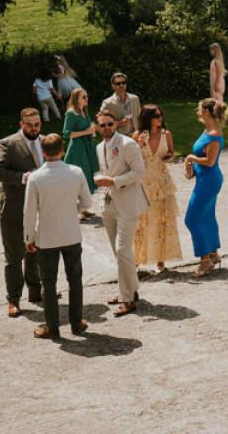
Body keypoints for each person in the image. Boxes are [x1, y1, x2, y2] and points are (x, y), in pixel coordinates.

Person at [23, 133, 92, 339]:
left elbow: (29, 211)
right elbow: (87, 202)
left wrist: (29, 237)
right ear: (62, 150)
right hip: (71, 233)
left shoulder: (35, 177)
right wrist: (74, 209)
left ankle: (52, 327)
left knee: (49, 283)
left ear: (43, 152)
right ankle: (76, 322)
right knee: (75, 279)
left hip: (47, 235)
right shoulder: (76, 172)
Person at [0, 108, 46, 318]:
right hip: (13, 206)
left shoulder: (46, 141)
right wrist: (24, 177)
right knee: (14, 255)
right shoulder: (8, 143)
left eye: (37, 125)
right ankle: (13, 299)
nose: (34, 129)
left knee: (35, 250)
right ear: (21, 124)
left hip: (39, 207)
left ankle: (35, 290)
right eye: (29, 125)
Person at [95, 110, 149, 317]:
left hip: (128, 203)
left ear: (116, 124)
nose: (107, 128)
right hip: (109, 203)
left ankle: (127, 298)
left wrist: (114, 182)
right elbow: (106, 170)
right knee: (117, 251)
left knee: (123, 249)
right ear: (97, 127)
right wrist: (101, 179)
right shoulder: (100, 147)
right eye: (103, 125)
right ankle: (130, 289)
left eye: (110, 124)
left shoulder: (128, 144)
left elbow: (139, 172)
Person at [134, 104, 183, 274]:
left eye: (161, 114)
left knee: (163, 220)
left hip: (162, 182)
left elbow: (171, 153)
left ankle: (160, 262)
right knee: (141, 221)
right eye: (156, 115)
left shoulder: (166, 134)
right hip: (144, 182)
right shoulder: (138, 135)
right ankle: (136, 261)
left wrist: (168, 158)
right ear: (147, 118)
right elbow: (133, 159)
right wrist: (139, 145)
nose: (160, 118)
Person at [183, 99, 226, 277]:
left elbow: (209, 161)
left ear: (207, 112)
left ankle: (205, 261)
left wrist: (191, 158)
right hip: (205, 179)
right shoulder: (208, 129)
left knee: (191, 219)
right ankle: (213, 254)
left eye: (200, 109)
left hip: (209, 181)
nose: (197, 111)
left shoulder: (214, 133)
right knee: (207, 216)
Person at [61, 88, 99, 201]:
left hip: (87, 147)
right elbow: (66, 134)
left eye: (87, 96)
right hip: (78, 149)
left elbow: (88, 128)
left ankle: (83, 207)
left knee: (87, 176)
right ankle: (75, 208)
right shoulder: (71, 113)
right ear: (76, 99)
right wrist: (86, 132)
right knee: (78, 177)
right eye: (83, 97)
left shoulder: (84, 111)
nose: (87, 99)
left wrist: (92, 130)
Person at [100, 72, 141, 137]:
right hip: (119, 137)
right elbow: (101, 122)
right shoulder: (107, 103)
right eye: (118, 83)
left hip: (135, 135)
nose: (121, 85)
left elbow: (139, 117)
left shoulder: (135, 99)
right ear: (113, 86)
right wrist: (119, 123)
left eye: (123, 83)